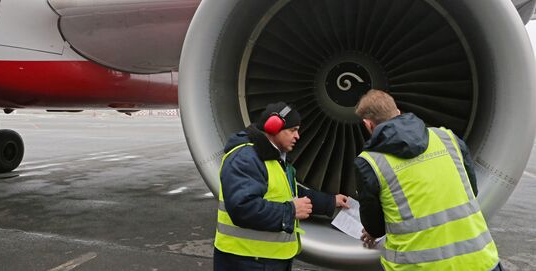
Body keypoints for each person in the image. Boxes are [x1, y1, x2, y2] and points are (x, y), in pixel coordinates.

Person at [354, 89, 503, 271]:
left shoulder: (370, 162)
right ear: (398, 112)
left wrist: (371, 231)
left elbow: (376, 228)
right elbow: (471, 190)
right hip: (480, 262)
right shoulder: (447, 138)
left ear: (368, 124)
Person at [213, 102, 349, 271]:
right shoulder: (246, 158)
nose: (298, 136)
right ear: (273, 127)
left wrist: (330, 202)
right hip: (246, 260)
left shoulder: (273, 157)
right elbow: (242, 208)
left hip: (267, 259)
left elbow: (288, 192)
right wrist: (290, 211)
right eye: (292, 130)